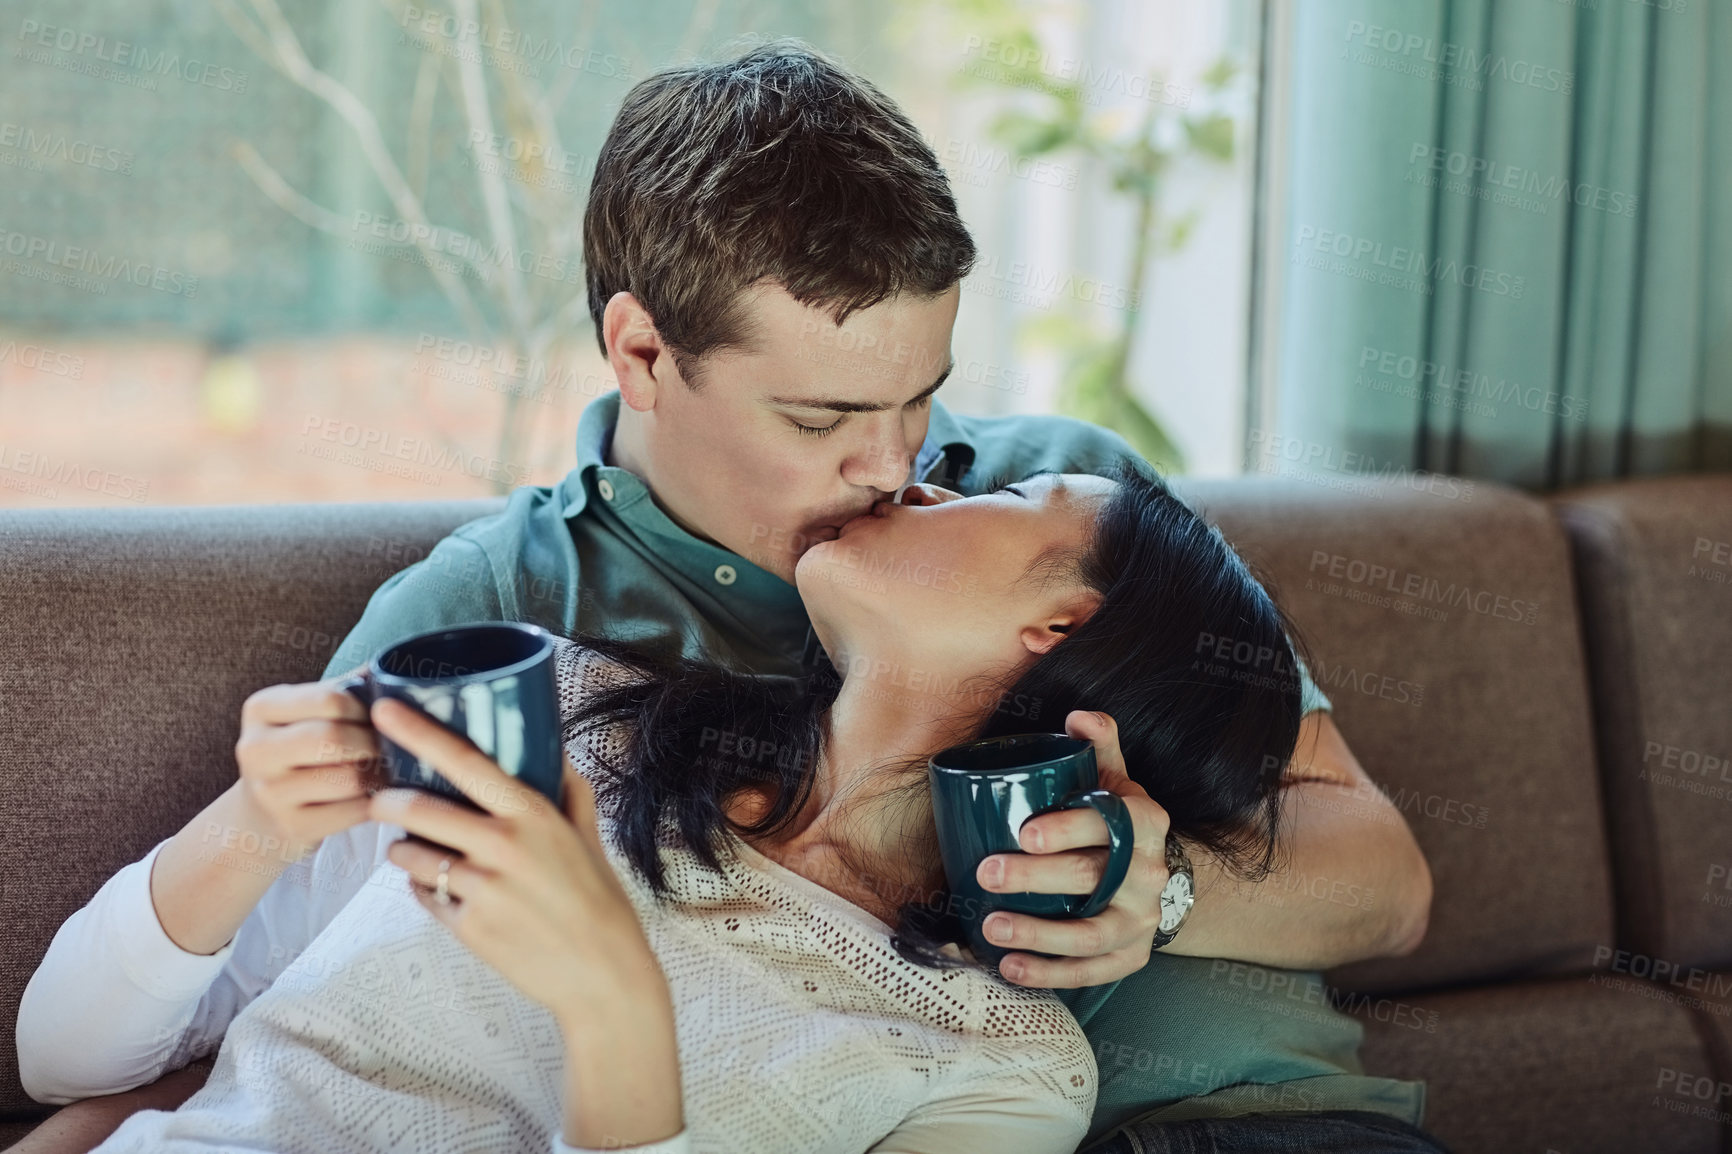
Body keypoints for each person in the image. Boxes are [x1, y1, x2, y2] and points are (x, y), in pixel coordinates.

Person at [15, 38, 1442, 1154]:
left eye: (925, 397)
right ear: (641, 353)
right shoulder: (517, 630)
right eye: (824, 417)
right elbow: (281, 1012)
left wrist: (1162, 895)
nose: (903, 464)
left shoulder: (1078, 499)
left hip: (1262, 1121)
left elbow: (1384, 878)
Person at [27, 459, 1314, 1152]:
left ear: (1061, 624)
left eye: (1000, 493)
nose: (916, 476)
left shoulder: (1004, 1077)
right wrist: (251, 819)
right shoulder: (560, 707)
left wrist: (610, 1002)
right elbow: (60, 1064)